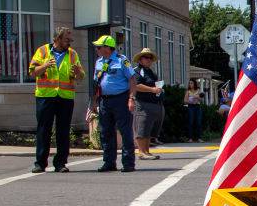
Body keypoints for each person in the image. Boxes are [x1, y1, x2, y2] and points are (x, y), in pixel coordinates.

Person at [28, 27, 86, 173]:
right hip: (45, 96)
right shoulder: (42, 51)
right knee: (43, 130)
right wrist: (45, 65)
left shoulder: (73, 54)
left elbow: (81, 76)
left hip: (65, 98)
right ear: (57, 39)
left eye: (70, 40)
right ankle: (40, 163)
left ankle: (60, 163)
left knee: (63, 131)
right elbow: (32, 72)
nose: (70, 43)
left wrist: (79, 73)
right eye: (67, 40)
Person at [89, 35, 137, 172]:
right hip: (104, 100)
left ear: (107, 48)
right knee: (105, 132)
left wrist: (131, 99)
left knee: (125, 131)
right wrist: (93, 102)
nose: (97, 49)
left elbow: (132, 80)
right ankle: (109, 162)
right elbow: (96, 84)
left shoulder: (122, 60)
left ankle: (128, 163)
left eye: (99, 47)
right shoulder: (99, 62)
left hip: (121, 99)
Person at [132, 48, 164, 160]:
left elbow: (156, 86)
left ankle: (147, 151)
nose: (149, 60)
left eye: (150, 58)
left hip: (153, 103)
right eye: (146, 57)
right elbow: (136, 85)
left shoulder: (151, 72)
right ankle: (141, 152)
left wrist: (159, 90)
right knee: (142, 127)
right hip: (142, 103)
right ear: (140, 59)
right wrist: (152, 90)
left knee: (148, 128)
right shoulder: (136, 71)